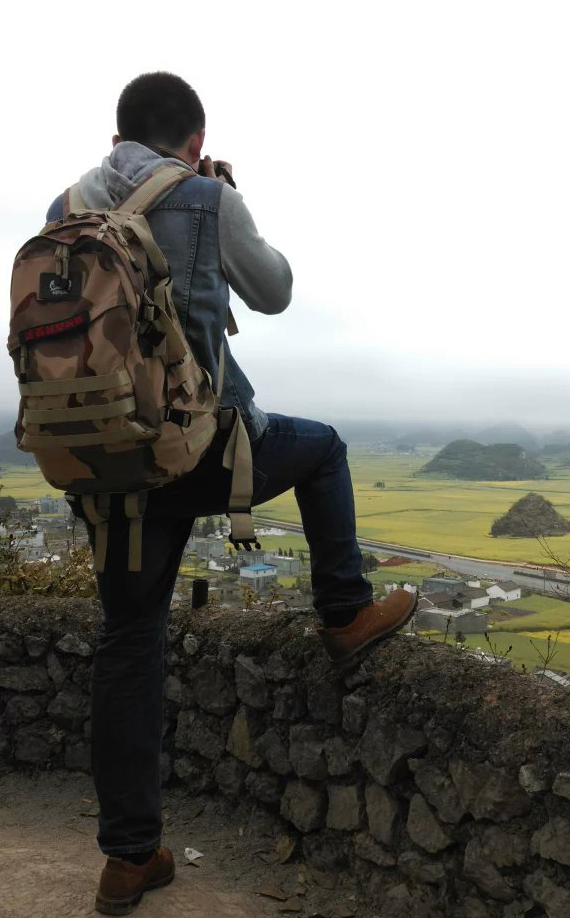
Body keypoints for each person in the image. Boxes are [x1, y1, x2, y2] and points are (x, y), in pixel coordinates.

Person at [45, 72, 416, 915]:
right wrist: (227, 201)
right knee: (323, 450)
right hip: (198, 448)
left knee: (129, 639)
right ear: (197, 142)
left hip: (101, 462)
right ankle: (344, 613)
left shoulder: (64, 205)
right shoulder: (205, 197)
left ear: (115, 140)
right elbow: (276, 292)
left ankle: (128, 859)